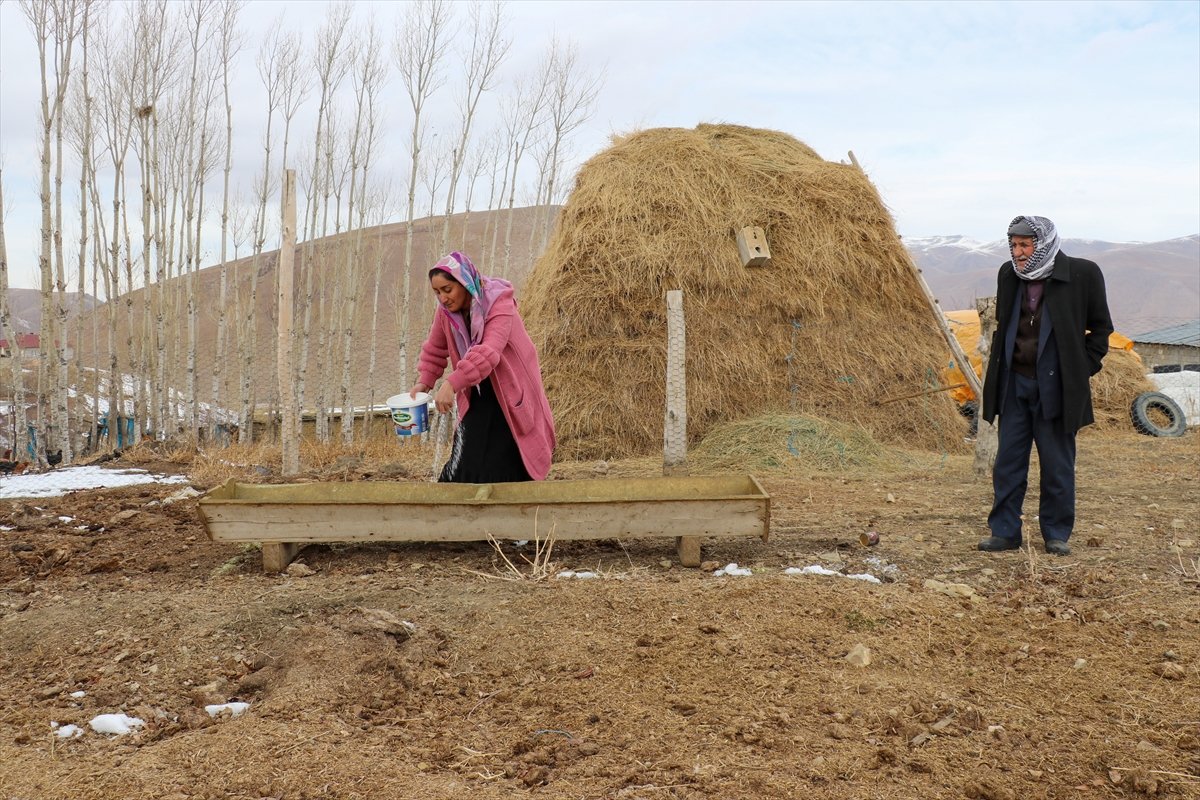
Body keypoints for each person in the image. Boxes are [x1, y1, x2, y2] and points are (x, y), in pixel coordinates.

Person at [978, 215, 1113, 556]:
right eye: (1013, 244)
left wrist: (1080, 370)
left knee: (1057, 465)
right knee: (1008, 463)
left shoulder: (1082, 273)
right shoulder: (1009, 275)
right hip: (1015, 384)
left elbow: (1100, 330)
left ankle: (1056, 533)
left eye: (1025, 245)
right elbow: (1006, 325)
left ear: (1044, 243)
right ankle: (1005, 532)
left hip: (1057, 389)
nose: (1018, 252)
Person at [408, 251, 555, 483]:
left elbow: (488, 353)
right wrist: (423, 383)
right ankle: (459, 513)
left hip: (510, 392)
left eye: (448, 289)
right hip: (476, 388)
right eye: (437, 292)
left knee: (508, 460)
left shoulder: (499, 304)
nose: (443, 298)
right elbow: (435, 349)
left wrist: (451, 383)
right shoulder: (446, 313)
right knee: (468, 458)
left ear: (465, 283)